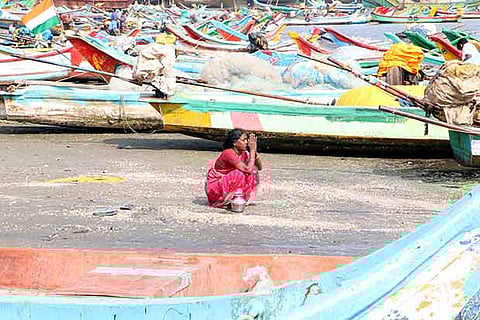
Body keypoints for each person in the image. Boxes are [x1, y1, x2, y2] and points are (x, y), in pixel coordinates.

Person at [206, 129, 262, 209]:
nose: (246, 142)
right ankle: (223, 201)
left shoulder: (244, 153)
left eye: (247, 140)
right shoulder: (228, 153)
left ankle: (239, 198)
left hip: (226, 185)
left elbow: (259, 167)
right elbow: (247, 170)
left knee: (253, 169)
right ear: (234, 143)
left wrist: (254, 152)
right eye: (244, 140)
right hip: (215, 189)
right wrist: (252, 150)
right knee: (239, 173)